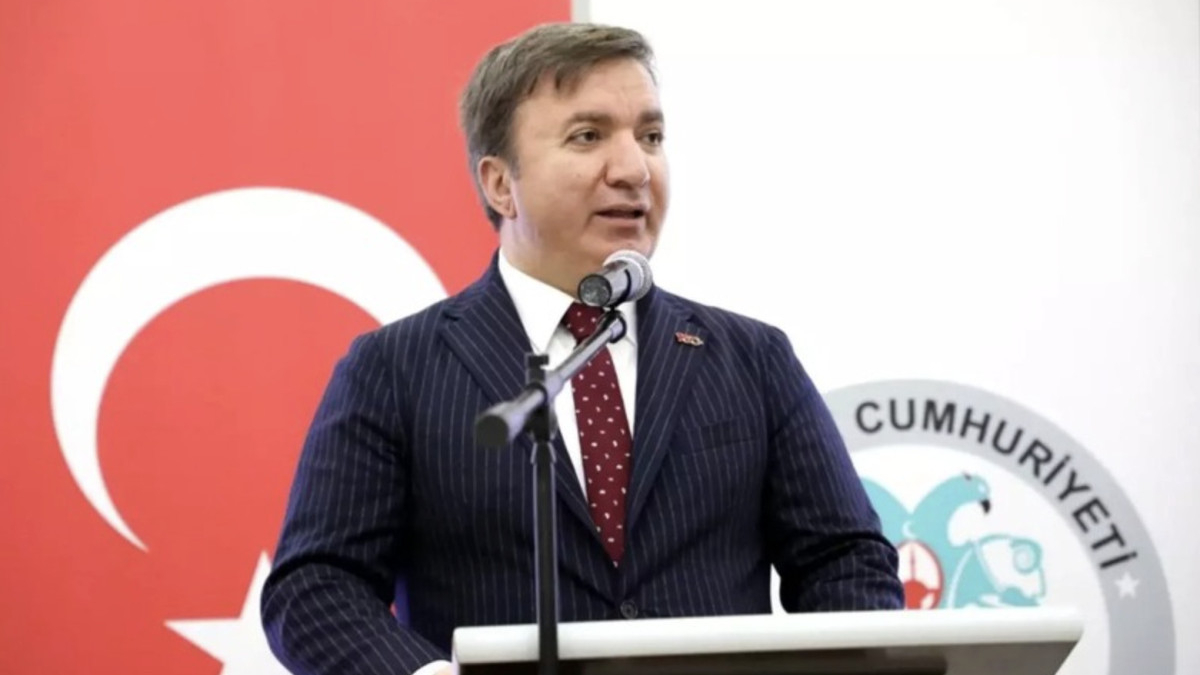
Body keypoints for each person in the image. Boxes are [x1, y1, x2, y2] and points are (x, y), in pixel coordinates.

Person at [261, 21, 903, 675]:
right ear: (500, 183)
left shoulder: (752, 358)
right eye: (588, 136)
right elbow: (315, 587)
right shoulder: (394, 369)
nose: (634, 169)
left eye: (650, 137)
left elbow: (846, 561)